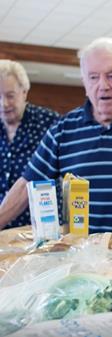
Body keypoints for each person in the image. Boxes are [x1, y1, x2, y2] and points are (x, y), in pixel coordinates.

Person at [0, 39, 112, 255]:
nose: (103, 85)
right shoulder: (63, 129)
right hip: (87, 258)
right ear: (85, 84)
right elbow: (25, 185)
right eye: (94, 77)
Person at [0, 60, 60, 229]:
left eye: (10, 95)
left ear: (24, 92)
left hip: (40, 229)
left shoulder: (49, 122)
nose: (3, 104)